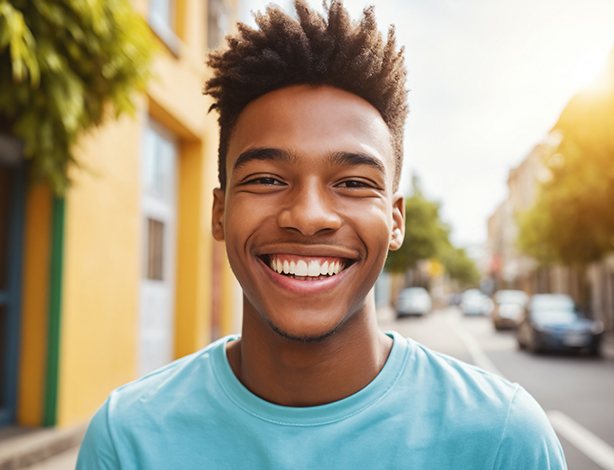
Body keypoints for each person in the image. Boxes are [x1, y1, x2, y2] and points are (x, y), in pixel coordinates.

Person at [77, 1, 567, 468]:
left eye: (353, 183)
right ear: (220, 213)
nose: (308, 216)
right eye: (267, 179)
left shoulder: (503, 439)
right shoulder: (128, 439)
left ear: (396, 220)